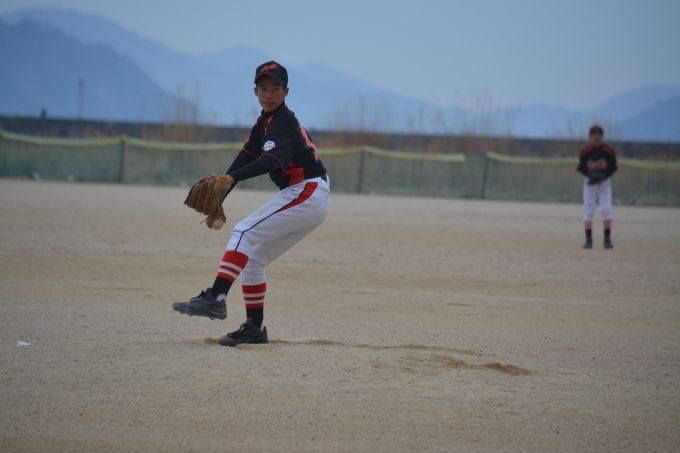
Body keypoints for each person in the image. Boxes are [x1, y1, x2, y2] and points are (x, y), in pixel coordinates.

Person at [172, 61, 330, 346]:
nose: (269, 94)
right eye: (264, 87)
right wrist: (219, 198)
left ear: (286, 91)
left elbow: (271, 161)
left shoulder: (281, 122)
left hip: (307, 191)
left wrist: (231, 179)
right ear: (255, 91)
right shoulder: (265, 121)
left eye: (276, 88)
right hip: (307, 195)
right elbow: (246, 156)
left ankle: (215, 298)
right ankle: (255, 329)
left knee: (243, 232)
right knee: (254, 257)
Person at [577, 124, 617, 249]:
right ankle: (588, 241)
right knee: (588, 210)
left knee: (606, 209)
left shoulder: (608, 152)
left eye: (599, 134)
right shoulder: (585, 152)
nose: (596, 137)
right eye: (594, 135)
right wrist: (590, 175)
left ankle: (607, 240)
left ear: (602, 137)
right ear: (590, 137)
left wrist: (604, 176)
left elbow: (613, 167)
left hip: (604, 183)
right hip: (589, 183)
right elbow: (580, 167)